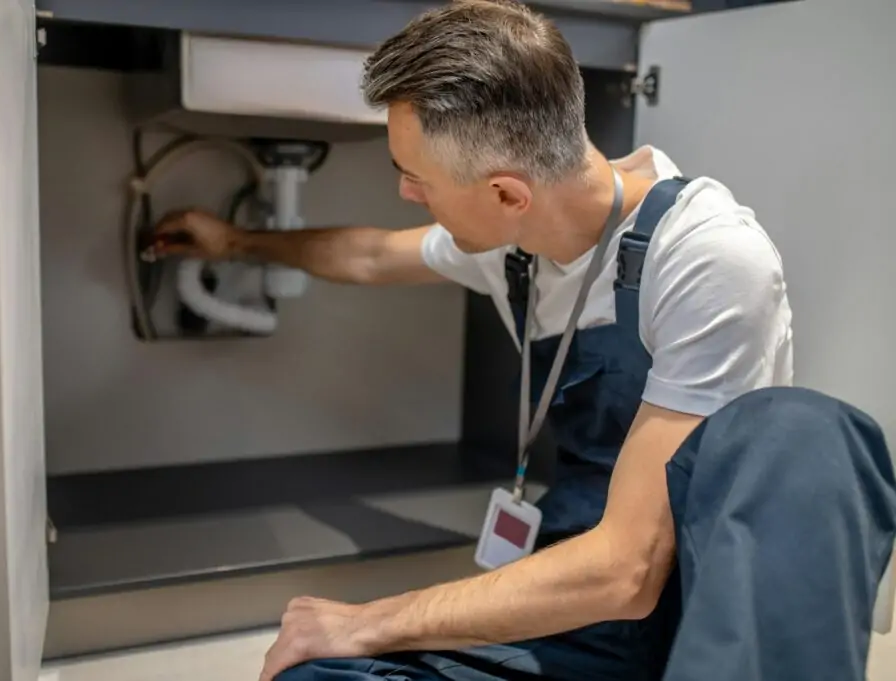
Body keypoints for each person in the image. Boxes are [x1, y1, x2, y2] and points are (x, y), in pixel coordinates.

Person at [148, 2, 896, 680]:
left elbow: (629, 570)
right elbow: (372, 254)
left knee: (807, 430)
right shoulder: (512, 239)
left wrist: (371, 619)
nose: (407, 192)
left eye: (417, 178)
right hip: (581, 597)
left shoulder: (706, 254)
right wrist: (236, 241)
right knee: (313, 677)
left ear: (506, 192)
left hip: (708, 606)